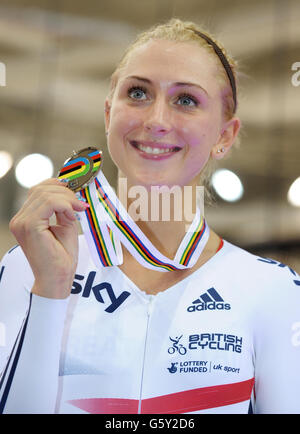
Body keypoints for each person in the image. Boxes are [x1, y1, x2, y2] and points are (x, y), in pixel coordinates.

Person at [0, 18, 299, 414]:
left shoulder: (273, 289)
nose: (156, 119)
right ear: (109, 115)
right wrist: (50, 292)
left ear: (225, 136)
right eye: (138, 93)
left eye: (186, 100)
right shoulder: (28, 266)